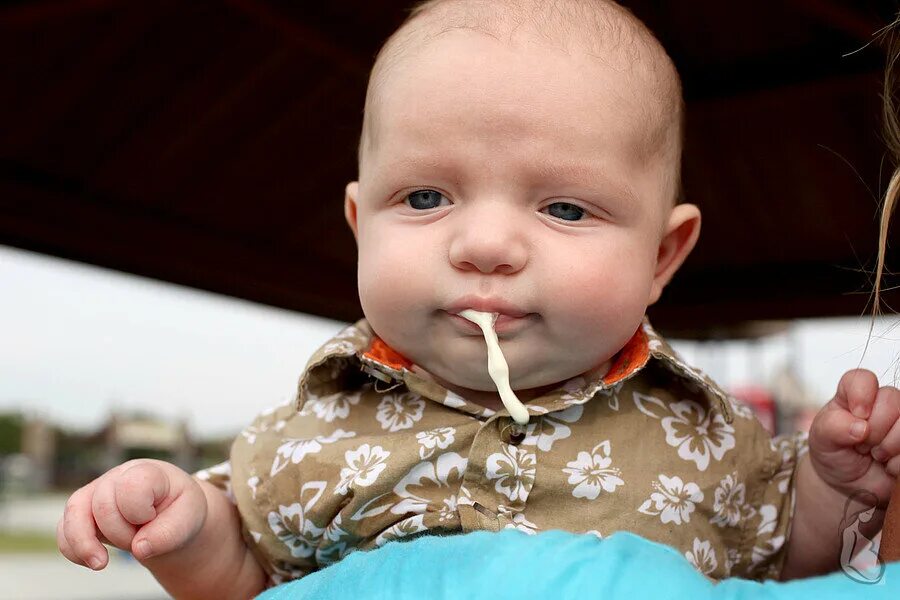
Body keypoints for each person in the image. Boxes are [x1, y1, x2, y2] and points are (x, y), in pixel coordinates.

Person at [56, 1, 900, 597]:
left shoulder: (710, 440)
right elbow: (243, 575)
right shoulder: (305, 436)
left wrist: (837, 491)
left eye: (565, 207)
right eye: (425, 199)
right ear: (359, 223)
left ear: (661, 256)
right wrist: (187, 527)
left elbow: (798, 560)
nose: (485, 244)